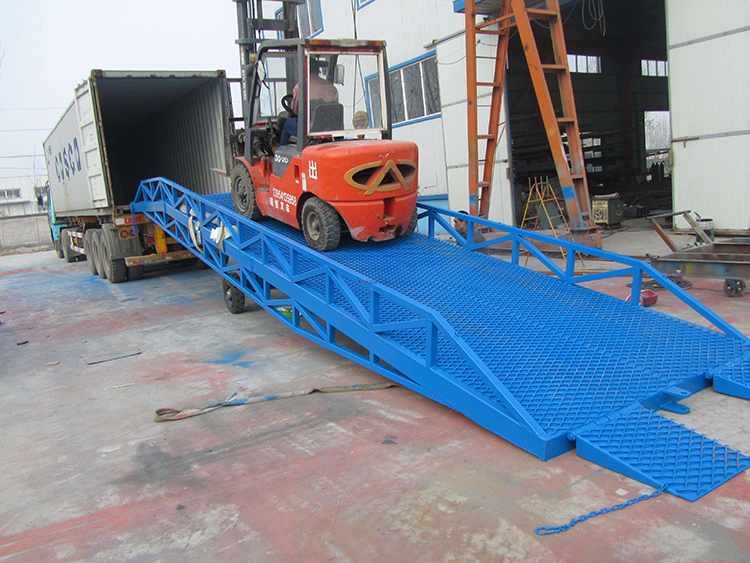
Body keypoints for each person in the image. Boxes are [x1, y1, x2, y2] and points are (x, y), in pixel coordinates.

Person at [279, 58, 339, 146]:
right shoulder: (331, 87)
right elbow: (335, 110)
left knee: (288, 123)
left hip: (309, 128)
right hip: (329, 127)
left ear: (304, 70)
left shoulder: (300, 87)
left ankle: (280, 150)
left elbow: (295, 111)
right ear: (318, 71)